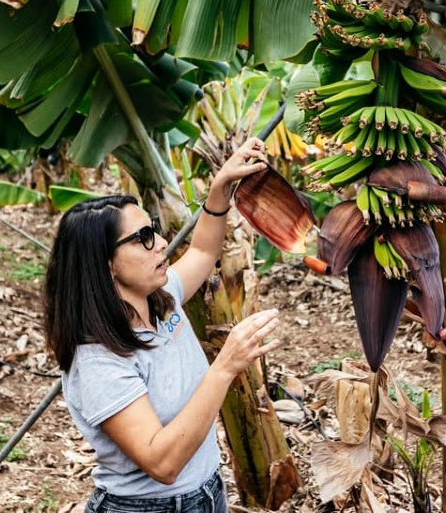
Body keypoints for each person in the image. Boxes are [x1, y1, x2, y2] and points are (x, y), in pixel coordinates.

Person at [43, 138, 281, 513]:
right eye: (143, 239)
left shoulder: (161, 297)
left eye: (153, 229)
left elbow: (202, 251)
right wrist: (224, 368)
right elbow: (162, 463)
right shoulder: (98, 360)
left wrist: (219, 189)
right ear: (105, 264)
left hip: (206, 493)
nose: (163, 244)